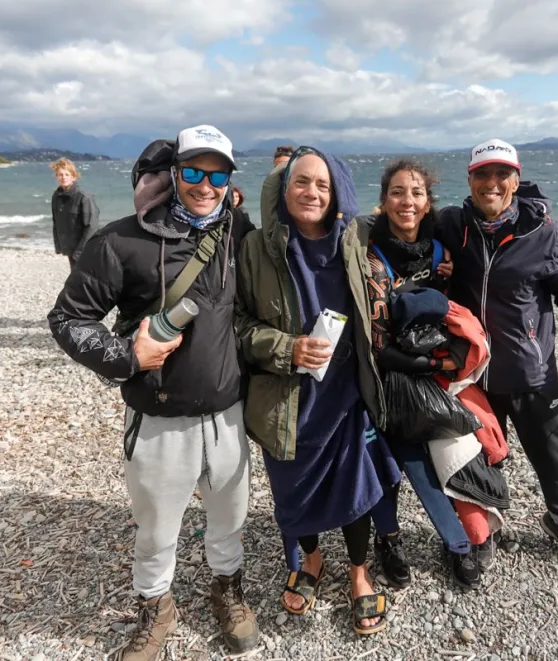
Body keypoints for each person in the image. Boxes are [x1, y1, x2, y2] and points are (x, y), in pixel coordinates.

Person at [47, 126, 260, 660]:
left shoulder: (238, 234)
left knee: (230, 516)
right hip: (159, 417)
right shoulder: (121, 241)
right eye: (193, 172)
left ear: (230, 181)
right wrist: (126, 359)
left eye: (217, 174)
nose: (205, 185)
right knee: (158, 525)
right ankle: (154, 606)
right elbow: (68, 318)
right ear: (173, 173)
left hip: (229, 411)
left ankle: (227, 589)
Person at [235, 147, 400, 635]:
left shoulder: (355, 239)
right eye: (300, 182)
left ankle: (358, 572)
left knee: (355, 490)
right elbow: (237, 325)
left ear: (337, 195)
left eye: (322, 185)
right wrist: (286, 347)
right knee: (292, 492)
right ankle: (311, 561)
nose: (311, 192)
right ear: (283, 191)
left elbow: (412, 238)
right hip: (285, 400)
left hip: (345, 394)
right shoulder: (255, 249)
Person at [436, 138, 558, 572]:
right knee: (479, 458)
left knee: (552, 456)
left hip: (531, 372)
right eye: (482, 175)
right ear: (469, 180)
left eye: (501, 175)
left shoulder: (543, 233)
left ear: (516, 180)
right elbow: (404, 234)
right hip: (472, 375)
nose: (491, 183)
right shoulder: (453, 226)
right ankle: (484, 531)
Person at [365, 159, 509, 588]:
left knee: (450, 460)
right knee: (390, 463)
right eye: (397, 192)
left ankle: (461, 543)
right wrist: (434, 363)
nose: (406, 201)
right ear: (384, 200)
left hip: (435, 377)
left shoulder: (442, 252)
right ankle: (388, 541)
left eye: (416, 193)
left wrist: (444, 365)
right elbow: (379, 343)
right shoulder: (370, 254)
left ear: (428, 203)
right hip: (386, 376)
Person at [50, 158, 100, 268]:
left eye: (67, 174)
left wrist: (79, 252)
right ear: (57, 177)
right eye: (60, 175)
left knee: (85, 281)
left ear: (74, 177)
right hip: (70, 250)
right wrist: (59, 246)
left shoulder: (84, 197)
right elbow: (56, 222)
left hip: (85, 251)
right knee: (76, 280)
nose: (63, 178)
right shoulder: (56, 197)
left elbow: (92, 227)